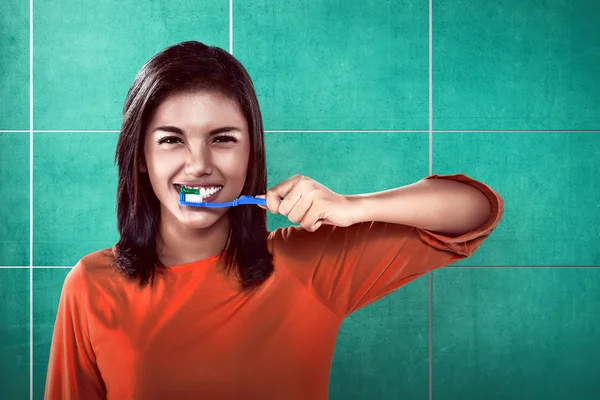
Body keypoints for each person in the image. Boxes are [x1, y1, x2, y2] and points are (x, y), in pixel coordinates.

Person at [44, 41, 504, 400]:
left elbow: (474, 208)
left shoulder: (307, 265)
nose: (199, 165)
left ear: (250, 154)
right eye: (171, 141)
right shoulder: (90, 286)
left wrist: (353, 207)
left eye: (223, 139)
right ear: (141, 157)